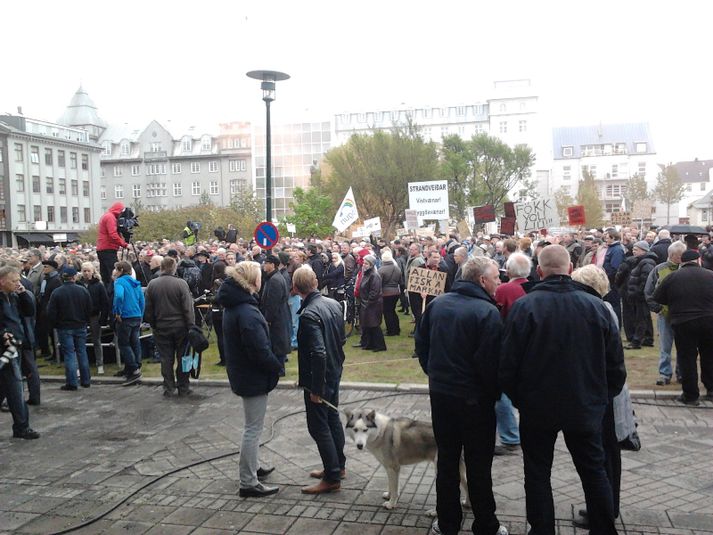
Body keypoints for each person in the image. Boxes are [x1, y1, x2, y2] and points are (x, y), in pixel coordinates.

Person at [499, 245, 626, 535]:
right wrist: (599, 399)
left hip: (541, 406)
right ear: (569, 269)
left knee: (539, 472)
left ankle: (543, 529)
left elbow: (507, 365)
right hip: (581, 404)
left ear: (539, 271)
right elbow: (616, 366)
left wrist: (522, 399)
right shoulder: (595, 307)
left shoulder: (526, 307)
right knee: (592, 470)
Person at [416, 256, 506, 535]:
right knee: (478, 465)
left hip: (443, 395)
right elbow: (491, 364)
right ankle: (485, 525)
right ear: (482, 280)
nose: (499, 282)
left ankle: (448, 524)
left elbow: (422, 346)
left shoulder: (439, 304)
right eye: (496, 278)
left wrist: (435, 375)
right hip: (473, 400)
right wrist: (491, 393)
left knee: (447, 460)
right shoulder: (486, 312)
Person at [217, 261, 282, 497]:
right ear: (253, 280)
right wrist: (276, 366)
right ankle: (248, 482)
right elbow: (259, 349)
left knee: (253, 426)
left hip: (243, 372)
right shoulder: (246, 311)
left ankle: (253, 467)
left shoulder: (236, 305)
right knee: (253, 428)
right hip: (251, 375)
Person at [292, 265, 347, 495]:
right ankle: (337, 466)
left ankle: (332, 475)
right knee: (332, 418)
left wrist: (316, 388)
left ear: (296, 288)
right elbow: (341, 339)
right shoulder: (333, 304)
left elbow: (318, 352)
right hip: (333, 371)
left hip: (320, 377)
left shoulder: (309, 315)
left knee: (319, 426)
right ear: (315, 283)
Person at [653, 250, 713, 405]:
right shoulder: (710, 275)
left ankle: (691, 395)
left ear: (682, 262)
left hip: (683, 322)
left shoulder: (673, 277)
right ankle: (711, 389)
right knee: (709, 356)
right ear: (698, 260)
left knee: (687, 358)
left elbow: (658, 297)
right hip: (709, 321)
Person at [493, 253, 532, 457]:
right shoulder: (535, 287)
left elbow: (495, 317)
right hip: (532, 348)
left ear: (507, 271)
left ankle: (510, 436)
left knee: (502, 394)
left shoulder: (503, 289)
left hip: (508, 347)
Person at [144, 256, 196, 397]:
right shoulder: (181, 284)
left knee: (166, 359)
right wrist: (191, 326)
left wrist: (153, 324)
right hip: (181, 327)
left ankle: (169, 387)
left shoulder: (152, 285)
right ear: (174, 268)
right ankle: (183, 386)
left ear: (161, 267)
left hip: (161, 327)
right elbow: (188, 308)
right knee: (184, 357)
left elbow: (148, 309)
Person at [0, 266, 39, 439]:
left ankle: (21, 426)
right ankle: (22, 426)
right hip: (6, 348)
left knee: (7, 385)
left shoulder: (14, 296)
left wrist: (23, 294)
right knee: (15, 386)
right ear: (2, 281)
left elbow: (29, 312)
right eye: (14, 281)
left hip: (17, 344)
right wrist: (2, 334)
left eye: (18, 280)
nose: (17, 283)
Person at [644, 241, 685, 385]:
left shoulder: (685, 269)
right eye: (679, 256)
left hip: (682, 315)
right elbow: (648, 291)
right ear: (671, 255)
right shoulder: (659, 269)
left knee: (683, 346)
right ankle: (664, 373)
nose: (681, 258)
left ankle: (681, 373)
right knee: (665, 347)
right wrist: (658, 308)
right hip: (665, 314)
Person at [46, 266, 93, 391]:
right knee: (82, 352)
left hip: (64, 326)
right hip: (80, 325)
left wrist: (55, 324)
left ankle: (72, 382)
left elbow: (51, 312)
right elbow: (89, 308)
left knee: (69, 354)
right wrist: (85, 320)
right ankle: (86, 380)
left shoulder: (57, 292)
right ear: (74, 277)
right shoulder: (83, 290)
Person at [112, 261, 145, 386]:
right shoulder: (135, 283)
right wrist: (141, 314)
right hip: (136, 315)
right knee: (135, 342)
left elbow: (119, 296)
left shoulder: (119, 282)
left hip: (125, 316)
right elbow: (142, 300)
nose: (115, 272)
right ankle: (134, 367)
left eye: (116, 269)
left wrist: (118, 312)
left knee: (124, 344)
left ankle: (134, 369)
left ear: (120, 270)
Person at [259, 255, 292, 377]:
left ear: (272, 265)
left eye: (266, 263)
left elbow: (273, 302)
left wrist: (268, 319)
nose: (264, 265)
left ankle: (279, 369)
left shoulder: (275, 280)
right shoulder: (274, 278)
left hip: (277, 318)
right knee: (276, 343)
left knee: (277, 343)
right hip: (278, 316)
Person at [623, 241, 657, 350]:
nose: (633, 251)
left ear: (643, 250)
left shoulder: (647, 262)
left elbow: (645, 280)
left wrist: (638, 292)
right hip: (640, 294)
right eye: (633, 249)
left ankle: (636, 341)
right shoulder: (642, 261)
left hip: (641, 295)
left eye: (636, 249)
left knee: (640, 318)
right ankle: (648, 339)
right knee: (645, 317)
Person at [78, 262, 110, 375]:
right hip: (81, 316)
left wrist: (103, 318)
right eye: (84, 271)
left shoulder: (98, 285)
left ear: (93, 271)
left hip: (94, 315)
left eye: (88, 271)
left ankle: (99, 364)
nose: (86, 273)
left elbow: (104, 302)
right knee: (79, 342)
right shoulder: (78, 284)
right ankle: (80, 365)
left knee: (96, 340)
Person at [356, 255, 386, 352]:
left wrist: (368, 302)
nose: (364, 265)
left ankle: (380, 345)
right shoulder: (366, 274)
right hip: (366, 303)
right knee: (368, 325)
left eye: (366, 263)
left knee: (374, 325)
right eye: (363, 263)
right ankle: (370, 344)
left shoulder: (374, 275)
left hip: (373, 304)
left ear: (371, 265)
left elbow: (374, 292)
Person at [96, 202, 129, 285]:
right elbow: (113, 234)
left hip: (102, 248)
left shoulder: (106, 216)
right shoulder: (111, 218)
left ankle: (107, 290)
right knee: (114, 273)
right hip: (108, 248)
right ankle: (113, 290)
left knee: (106, 275)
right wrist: (125, 244)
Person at [378, 250, 402, 337]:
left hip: (386, 293)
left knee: (387, 312)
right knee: (392, 311)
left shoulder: (381, 270)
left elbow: (379, 283)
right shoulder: (397, 268)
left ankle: (390, 331)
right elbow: (400, 281)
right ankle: (397, 329)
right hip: (396, 292)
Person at [210, 261, 228, 366]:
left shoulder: (217, 281)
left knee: (220, 336)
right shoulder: (228, 280)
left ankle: (223, 359)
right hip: (226, 310)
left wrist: (209, 298)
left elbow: (217, 297)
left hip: (217, 311)